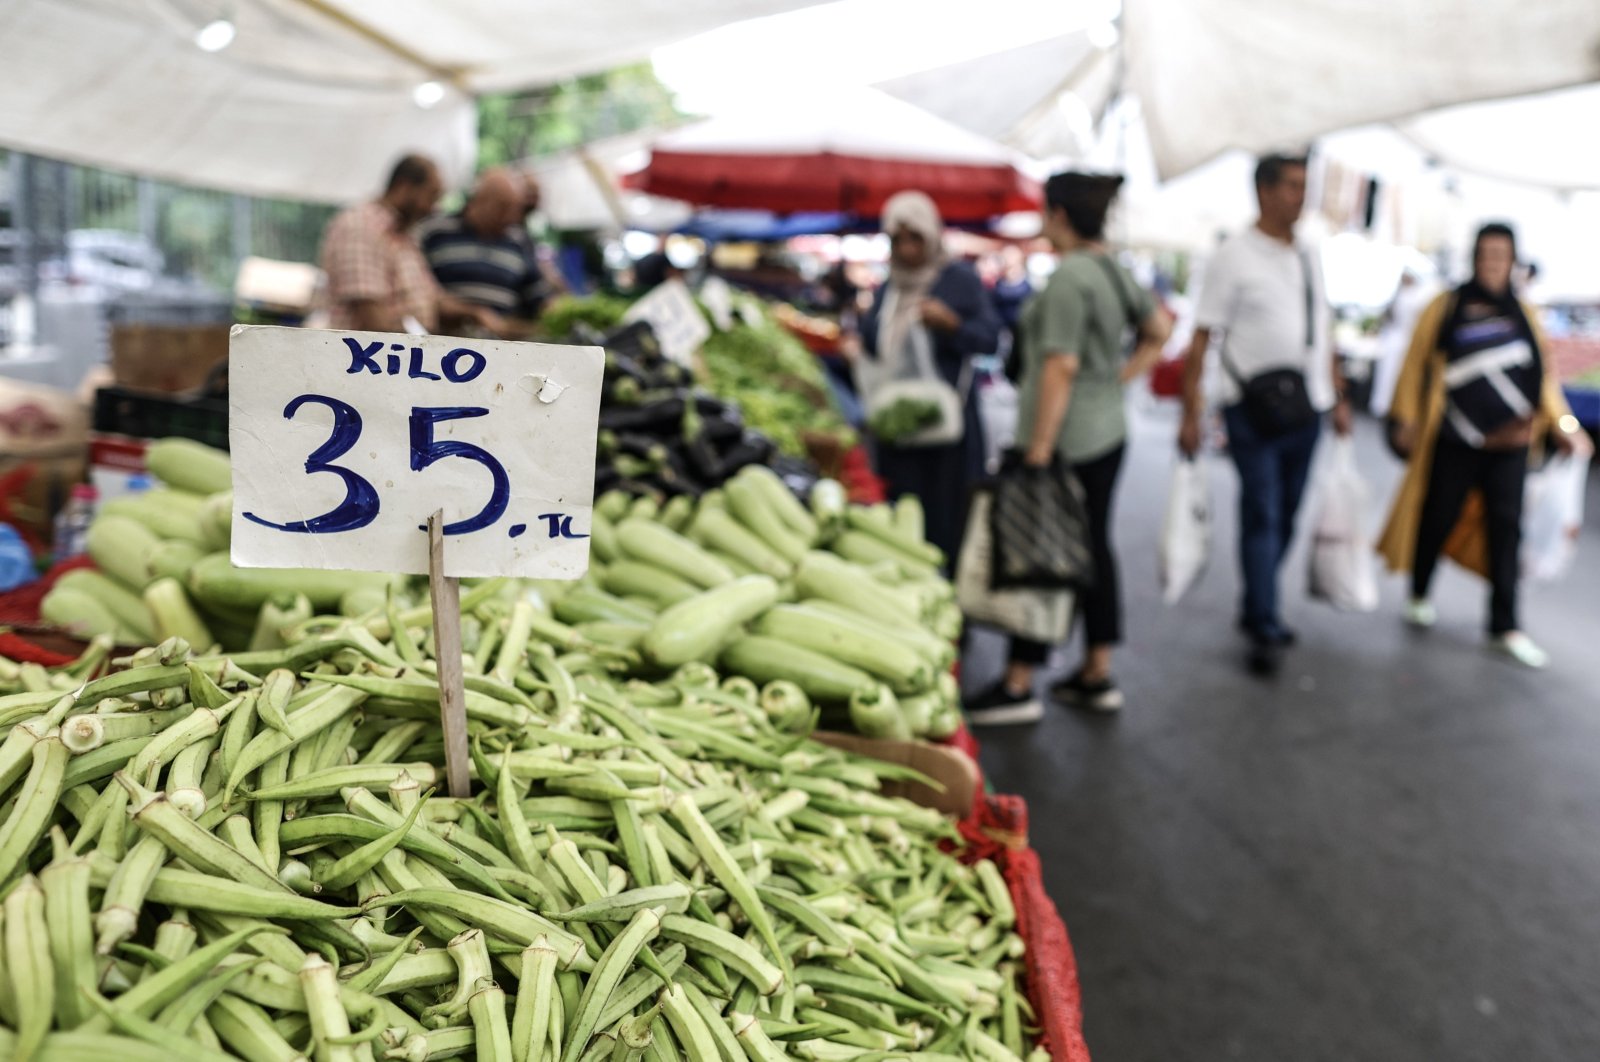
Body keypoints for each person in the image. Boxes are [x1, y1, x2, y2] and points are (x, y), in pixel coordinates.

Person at [965, 172, 1172, 724]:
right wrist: (1117, 382)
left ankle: (1018, 683)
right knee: (1091, 549)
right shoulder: (1112, 271)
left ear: (1058, 214)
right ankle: (1094, 672)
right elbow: (1160, 329)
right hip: (1106, 434)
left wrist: (1037, 452)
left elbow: (1060, 365)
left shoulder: (1068, 280)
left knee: (1040, 553)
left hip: (1064, 442)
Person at [1377, 222, 1590, 668]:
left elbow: (1545, 380)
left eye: (1501, 255)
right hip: (1456, 439)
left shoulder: (1523, 314)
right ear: (1474, 258)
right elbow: (1415, 365)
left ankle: (1504, 625)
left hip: (1512, 445)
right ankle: (1419, 590)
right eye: (1485, 254)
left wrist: (1566, 425)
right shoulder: (1447, 306)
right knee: (1438, 515)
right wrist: (1407, 419)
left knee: (1506, 531)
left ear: (1513, 262)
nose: (1492, 263)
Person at [1177, 152, 1354, 677]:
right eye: (1293, 186)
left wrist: (1338, 395)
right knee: (1264, 512)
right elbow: (1201, 339)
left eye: (1305, 186)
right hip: (1250, 408)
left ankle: (1260, 598)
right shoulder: (1232, 255)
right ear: (1264, 191)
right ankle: (1264, 620)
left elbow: (1323, 330)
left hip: (1308, 405)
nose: (1301, 197)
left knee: (1289, 513)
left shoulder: (1308, 254)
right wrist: (1193, 411)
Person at [858, 191, 1001, 563]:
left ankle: (951, 610)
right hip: (899, 430)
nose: (906, 250)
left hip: (946, 431)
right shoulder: (888, 286)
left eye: (915, 238)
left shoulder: (958, 279)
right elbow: (875, 341)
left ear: (932, 236)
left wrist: (952, 325)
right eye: (897, 240)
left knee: (948, 525)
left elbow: (990, 340)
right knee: (904, 524)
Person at [318, 155, 500, 335]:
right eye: (431, 196)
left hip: (401, 356)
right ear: (404, 187)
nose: (433, 208)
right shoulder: (360, 227)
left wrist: (475, 313)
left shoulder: (404, 235)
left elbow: (432, 299)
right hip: (370, 361)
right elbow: (373, 319)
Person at [417, 167, 554, 334]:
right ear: (480, 200)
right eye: (503, 207)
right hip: (441, 339)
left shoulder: (519, 241)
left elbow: (538, 295)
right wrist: (472, 313)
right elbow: (420, 288)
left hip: (501, 344)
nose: (511, 216)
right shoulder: (435, 231)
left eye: (516, 208)